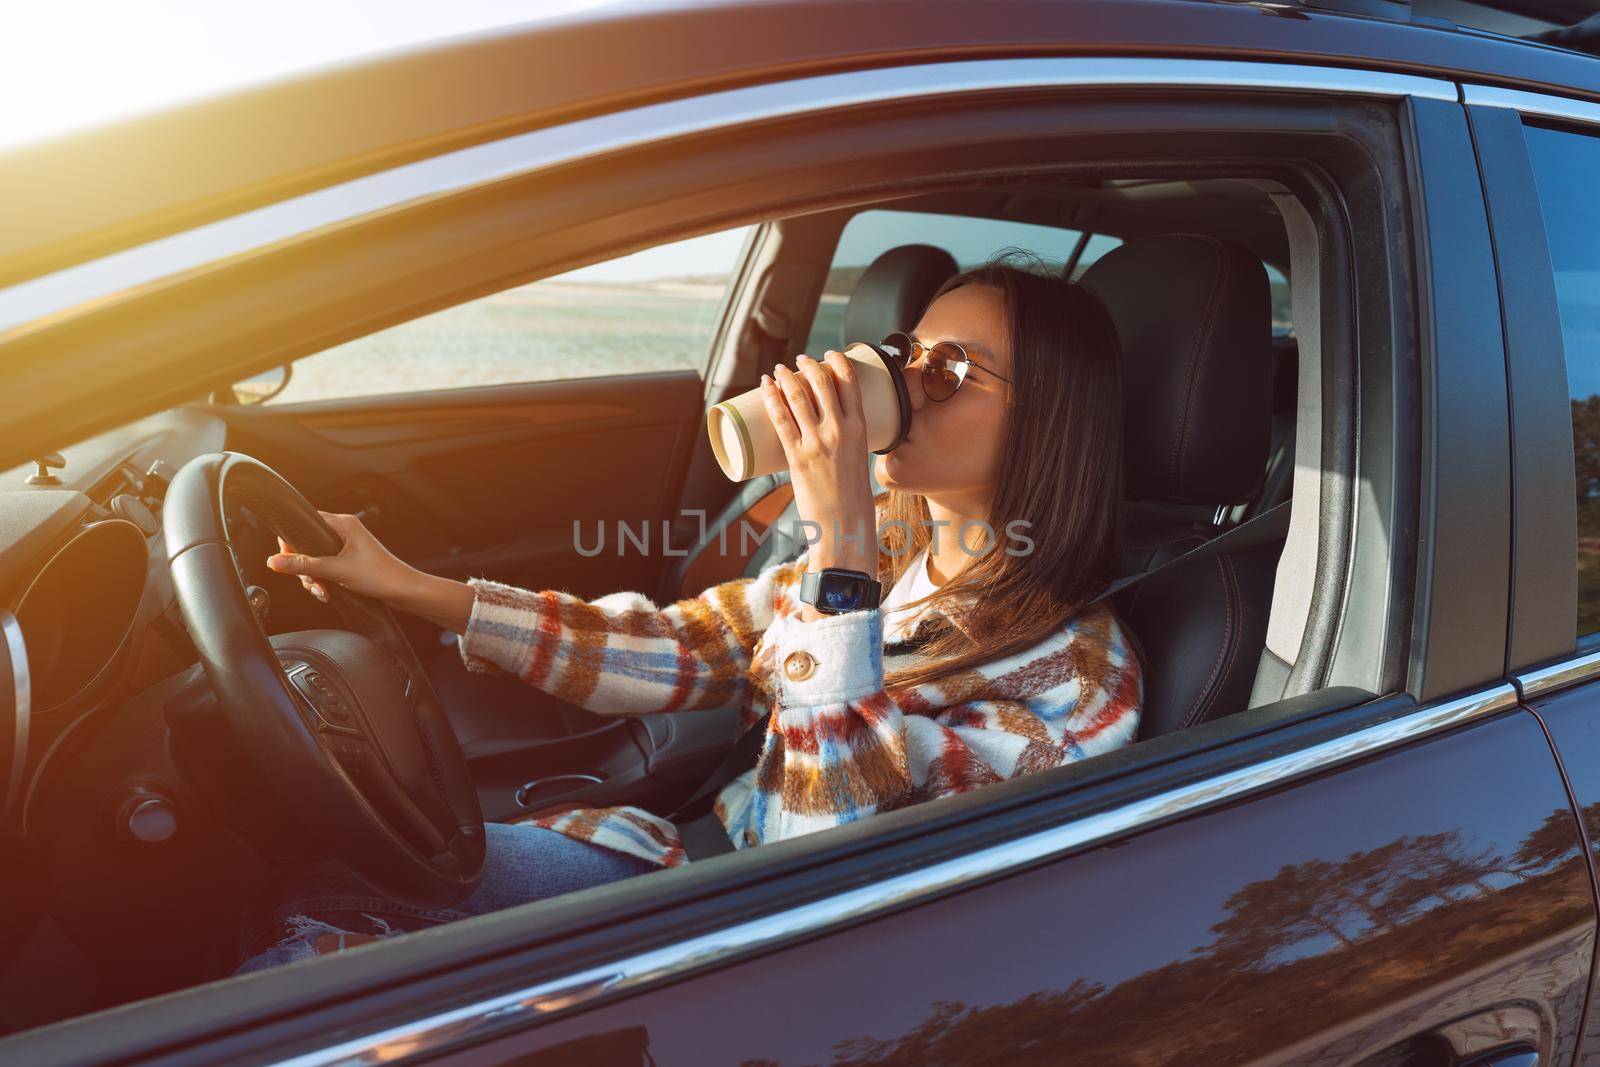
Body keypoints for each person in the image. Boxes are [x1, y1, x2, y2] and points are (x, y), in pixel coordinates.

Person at [237, 254, 1144, 973]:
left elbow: (817, 874)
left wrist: (841, 564)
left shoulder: (1076, 676)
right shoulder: (902, 560)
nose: (909, 388)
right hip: (685, 863)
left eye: (950, 372)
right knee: (320, 880)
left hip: (740, 946)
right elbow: (673, 646)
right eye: (908, 357)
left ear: (1050, 419)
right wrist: (412, 586)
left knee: (315, 962)